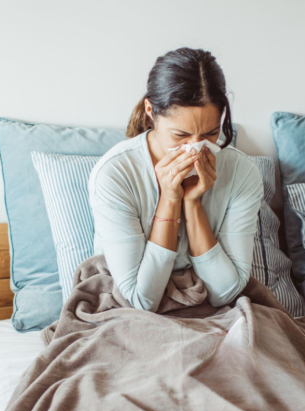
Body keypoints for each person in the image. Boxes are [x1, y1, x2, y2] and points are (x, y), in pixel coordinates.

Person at [88, 47, 263, 312]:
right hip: (130, 314)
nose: (196, 148)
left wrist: (193, 205)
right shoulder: (116, 174)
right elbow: (141, 300)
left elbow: (225, 293)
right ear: (150, 110)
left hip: (213, 311)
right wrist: (170, 199)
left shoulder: (242, 172)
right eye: (181, 135)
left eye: (211, 133)